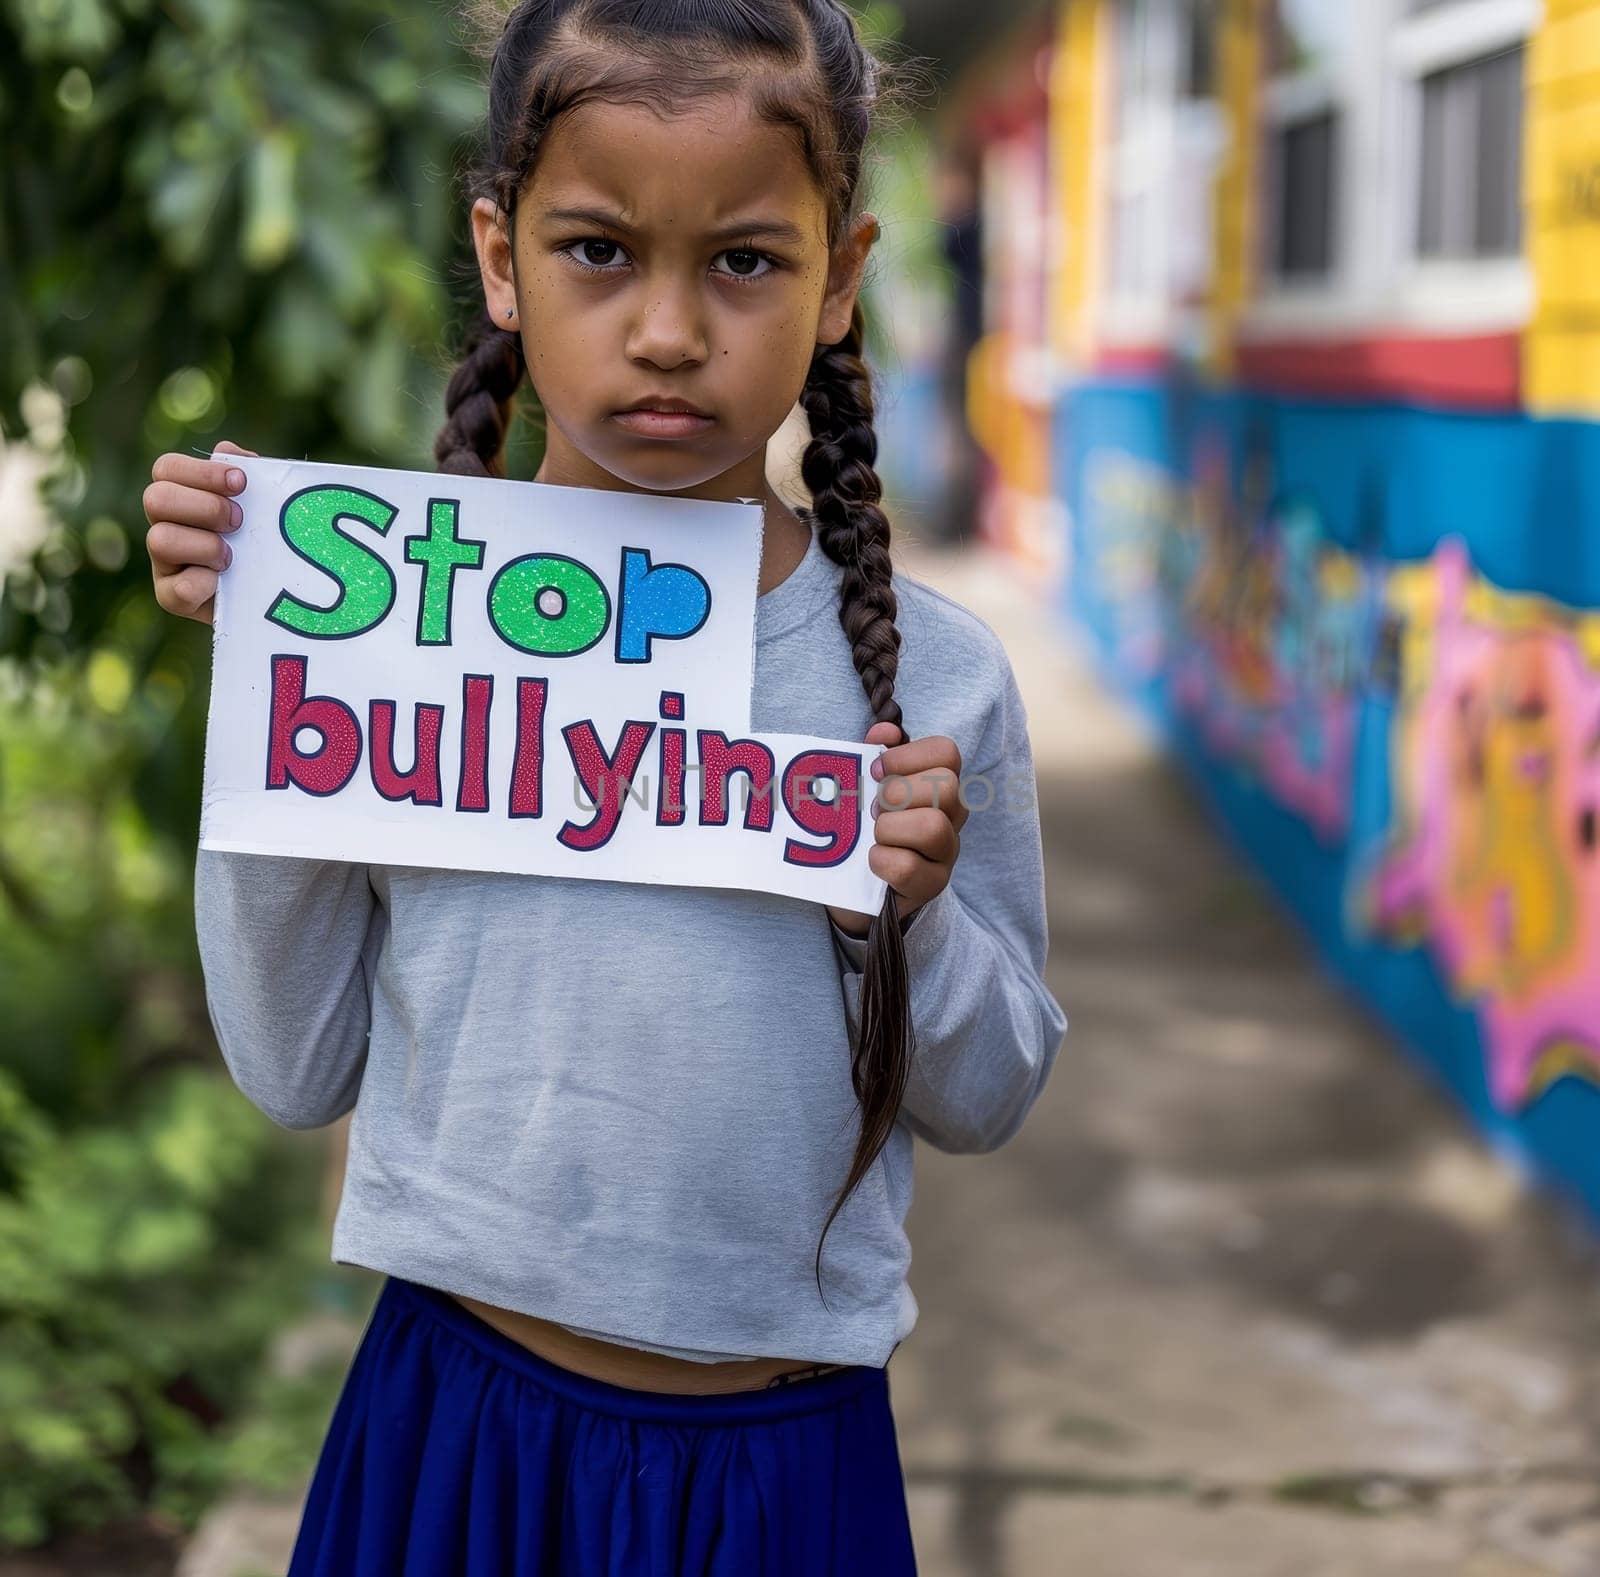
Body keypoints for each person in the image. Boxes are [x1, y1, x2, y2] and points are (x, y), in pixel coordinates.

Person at [140, 1, 1067, 1571]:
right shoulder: (389, 632)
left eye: (747, 260)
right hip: (454, 1431)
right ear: (501, 258)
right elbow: (296, 1070)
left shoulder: (935, 682)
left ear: (842, 277)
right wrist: (280, 696)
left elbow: (994, 1088)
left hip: (779, 1464)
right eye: (597, 251)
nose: (665, 330)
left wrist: (905, 908)